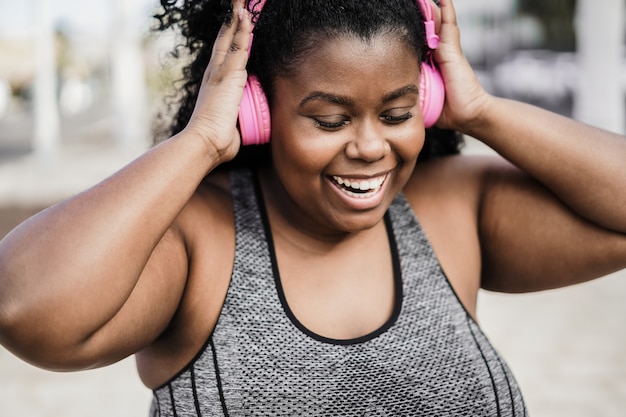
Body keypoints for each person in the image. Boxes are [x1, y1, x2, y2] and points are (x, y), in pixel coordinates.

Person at [0, 0, 625, 415]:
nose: (371, 146)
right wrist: (202, 140)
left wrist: (482, 110)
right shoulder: (199, 237)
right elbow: (26, 307)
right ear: (259, 109)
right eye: (330, 118)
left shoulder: (453, 207)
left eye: (399, 113)